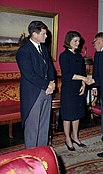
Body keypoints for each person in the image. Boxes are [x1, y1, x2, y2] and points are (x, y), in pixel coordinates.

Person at [16, 20, 56, 148]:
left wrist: (52, 83)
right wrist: (47, 85)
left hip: (47, 91)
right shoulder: (24, 51)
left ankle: (41, 154)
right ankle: (31, 157)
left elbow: (51, 69)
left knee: (44, 125)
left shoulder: (44, 49)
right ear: (34, 34)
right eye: (44, 34)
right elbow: (29, 74)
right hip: (33, 93)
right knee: (32, 128)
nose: (46, 36)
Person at [59, 31, 93, 151]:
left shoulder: (79, 56)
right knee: (68, 115)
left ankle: (75, 136)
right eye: (75, 41)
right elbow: (67, 75)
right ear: (69, 41)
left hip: (78, 88)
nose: (78, 43)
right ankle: (67, 138)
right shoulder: (64, 56)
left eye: (79, 41)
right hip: (69, 89)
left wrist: (83, 84)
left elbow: (82, 72)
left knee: (77, 114)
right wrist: (83, 78)